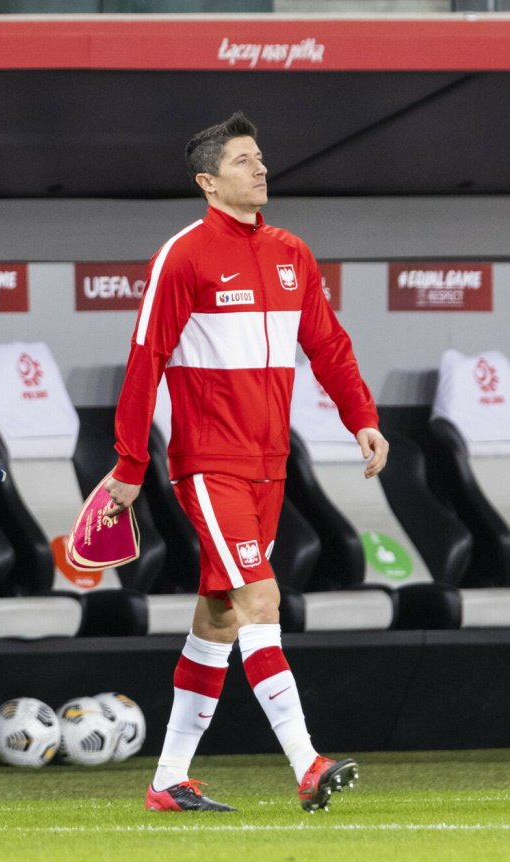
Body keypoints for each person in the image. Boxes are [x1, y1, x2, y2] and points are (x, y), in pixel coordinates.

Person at [104, 112, 389, 813]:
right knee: (261, 600)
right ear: (208, 180)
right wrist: (128, 463)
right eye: (242, 160)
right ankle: (307, 762)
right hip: (210, 463)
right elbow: (145, 361)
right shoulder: (185, 256)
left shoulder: (293, 251)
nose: (260, 168)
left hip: (271, 463)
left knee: (220, 617)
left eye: (260, 157)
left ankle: (169, 778)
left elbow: (330, 346)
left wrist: (363, 418)